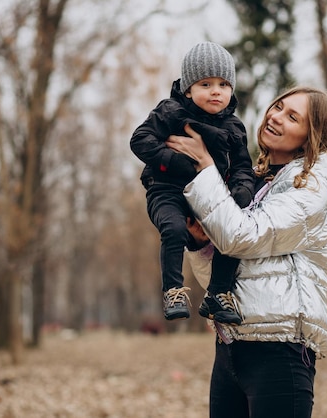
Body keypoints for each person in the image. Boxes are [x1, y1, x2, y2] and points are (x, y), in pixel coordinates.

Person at [166, 86, 327, 417]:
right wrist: (201, 242)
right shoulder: (257, 184)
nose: (276, 116)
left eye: (293, 117)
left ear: (312, 137)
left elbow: (240, 237)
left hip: (280, 354)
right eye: (278, 107)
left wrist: (205, 167)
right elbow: (219, 277)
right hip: (231, 349)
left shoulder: (311, 187)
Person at [130, 42, 254, 322]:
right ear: (188, 89)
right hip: (167, 190)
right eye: (205, 84)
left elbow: (243, 165)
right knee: (173, 229)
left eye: (223, 84)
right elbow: (140, 140)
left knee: (231, 230)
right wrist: (174, 161)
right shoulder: (171, 112)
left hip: (208, 196)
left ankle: (219, 294)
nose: (215, 91)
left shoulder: (234, 128)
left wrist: (243, 188)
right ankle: (173, 290)